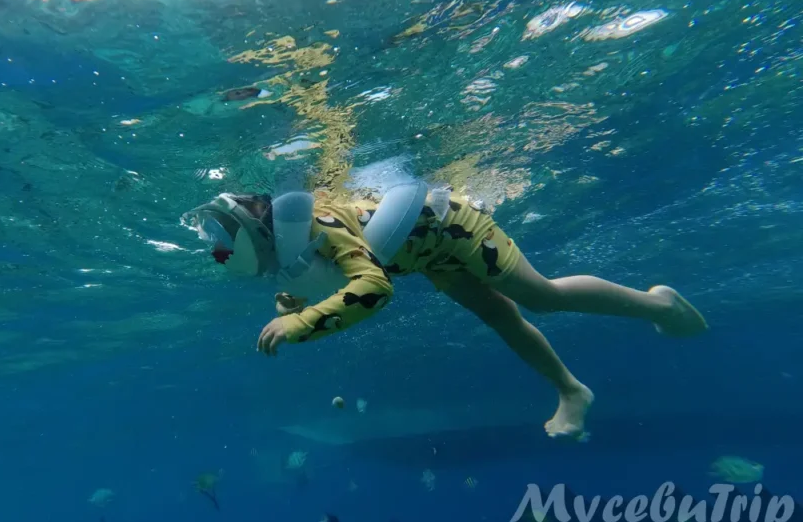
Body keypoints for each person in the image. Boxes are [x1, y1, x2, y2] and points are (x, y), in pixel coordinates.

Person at [181, 183, 708, 440]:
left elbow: (373, 287)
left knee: (540, 298)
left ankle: (657, 303)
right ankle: (573, 390)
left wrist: (301, 322)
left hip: (454, 229)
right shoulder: (286, 248)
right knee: (502, 319)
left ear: (258, 229)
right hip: (429, 257)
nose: (220, 248)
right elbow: (321, 276)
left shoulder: (318, 223)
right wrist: (296, 303)